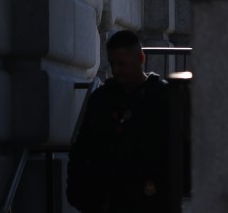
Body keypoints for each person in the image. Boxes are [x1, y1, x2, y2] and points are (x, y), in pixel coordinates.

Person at [68, 30, 171, 212]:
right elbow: (82, 147)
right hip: (108, 200)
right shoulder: (101, 99)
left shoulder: (164, 97)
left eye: (122, 64)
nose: (115, 70)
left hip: (150, 201)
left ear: (140, 58)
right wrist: (78, 194)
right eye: (113, 63)